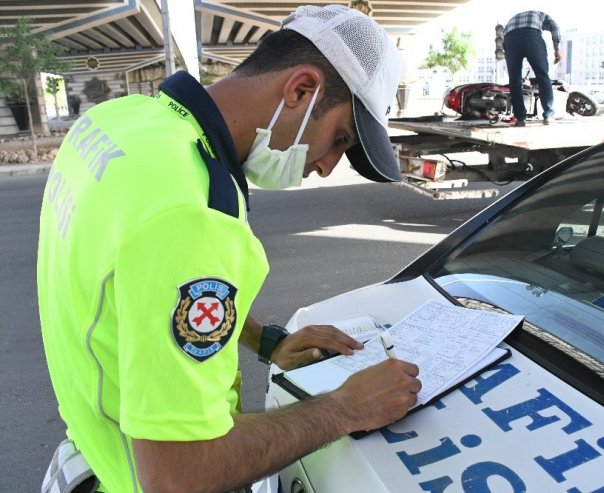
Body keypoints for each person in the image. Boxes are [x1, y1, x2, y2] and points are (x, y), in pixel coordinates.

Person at [37, 5, 421, 492]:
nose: (328, 166)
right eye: (340, 138)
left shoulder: (119, 122)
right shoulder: (194, 212)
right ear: (301, 90)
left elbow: (145, 293)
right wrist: (346, 408)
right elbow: (178, 476)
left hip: (89, 449)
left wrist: (265, 341)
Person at [503, 10, 561, 126]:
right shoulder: (544, 16)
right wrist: (557, 49)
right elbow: (555, 28)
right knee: (542, 75)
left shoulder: (516, 17)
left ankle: (520, 118)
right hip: (531, 36)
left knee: (514, 80)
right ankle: (548, 115)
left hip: (509, 37)